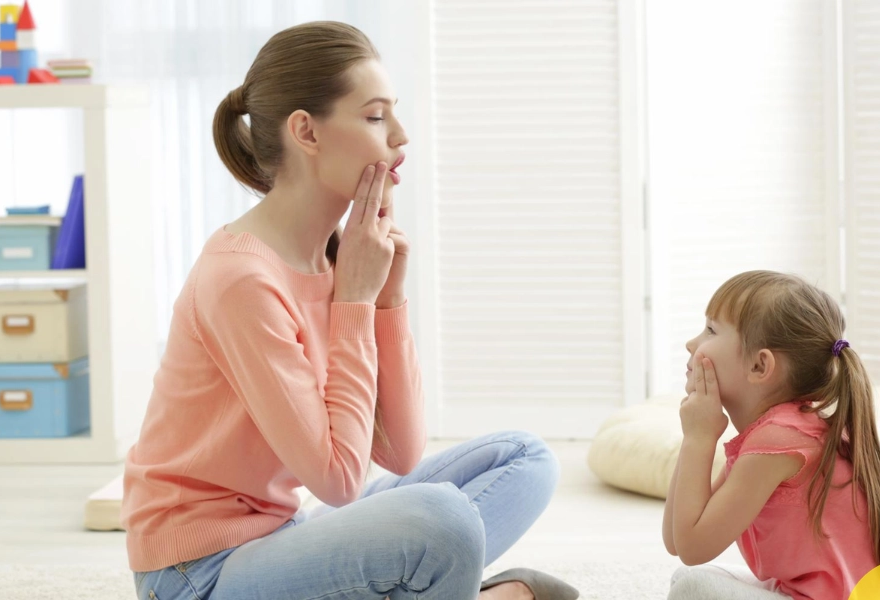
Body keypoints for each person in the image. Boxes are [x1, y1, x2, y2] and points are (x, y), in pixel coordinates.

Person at [121, 21, 579, 600]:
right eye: (375, 116)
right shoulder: (240, 279)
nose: (401, 136)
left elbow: (400, 450)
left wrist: (384, 300)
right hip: (199, 573)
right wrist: (357, 302)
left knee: (525, 458)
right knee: (443, 520)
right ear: (306, 132)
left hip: (282, 532)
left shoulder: (337, 258)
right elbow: (339, 481)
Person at [663, 270, 880, 600]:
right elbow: (676, 540)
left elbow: (693, 546)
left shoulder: (779, 441)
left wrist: (700, 438)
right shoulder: (771, 433)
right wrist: (694, 433)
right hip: (798, 592)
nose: (692, 344)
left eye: (711, 330)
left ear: (760, 366)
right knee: (689, 579)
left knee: (696, 588)